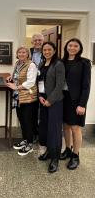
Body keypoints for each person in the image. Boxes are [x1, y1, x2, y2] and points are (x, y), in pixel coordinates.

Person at [60, 38, 91, 170]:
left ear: (79, 48)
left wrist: (82, 104)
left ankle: (75, 155)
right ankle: (67, 149)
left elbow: (86, 86)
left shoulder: (84, 62)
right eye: (70, 45)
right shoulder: (61, 61)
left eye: (75, 46)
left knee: (75, 128)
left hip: (76, 100)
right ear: (66, 47)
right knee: (65, 126)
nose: (72, 48)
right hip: (63, 98)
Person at [37, 42, 65, 173]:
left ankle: (55, 159)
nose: (46, 52)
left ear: (54, 51)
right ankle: (48, 151)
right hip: (43, 101)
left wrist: (50, 100)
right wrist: (40, 96)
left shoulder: (58, 65)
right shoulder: (42, 64)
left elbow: (60, 86)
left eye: (49, 49)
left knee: (54, 130)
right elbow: (39, 82)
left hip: (55, 103)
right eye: (44, 50)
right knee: (44, 127)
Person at [6, 46, 38, 156]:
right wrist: (11, 78)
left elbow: (31, 82)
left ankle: (29, 145)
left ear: (28, 54)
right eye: (19, 52)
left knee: (28, 121)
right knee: (22, 120)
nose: (21, 54)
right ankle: (25, 140)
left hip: (28, 98)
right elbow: (17, 76)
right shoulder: (18, 63)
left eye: (24, 52)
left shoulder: (31, 65)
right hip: (18, 98)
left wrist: (16, 87)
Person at [30, 33, 44, 145]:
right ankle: (34, 133)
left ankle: (42, 134)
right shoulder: (28, 52)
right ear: (32, 42)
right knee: (32, 111)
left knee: (43, 110)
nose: (37, 42)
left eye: (40, 40)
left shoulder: (48, 51)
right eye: (35, 40)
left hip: (44, 85)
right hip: (30, 86)